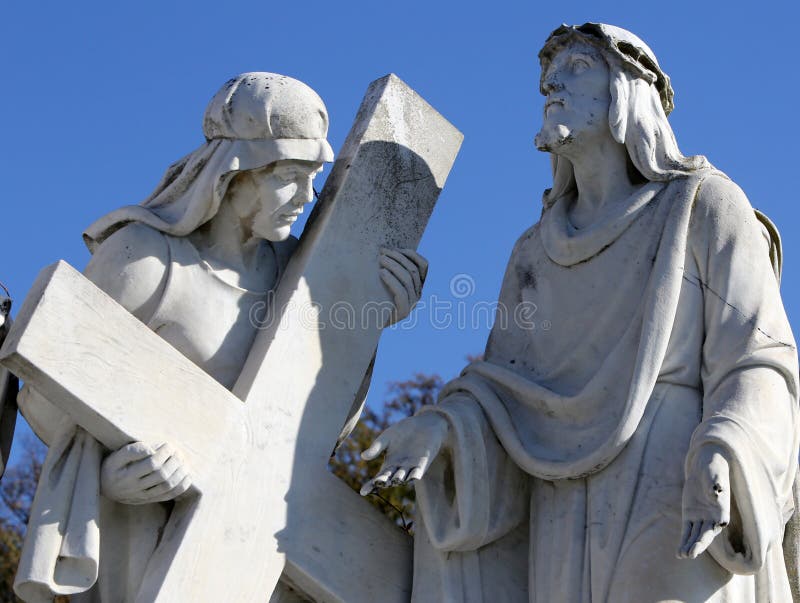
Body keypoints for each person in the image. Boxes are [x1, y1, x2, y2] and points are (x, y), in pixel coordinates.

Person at [363, 23, 800, 602]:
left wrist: (725, 450)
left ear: (629, 91)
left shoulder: (704, 205)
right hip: (560, 505)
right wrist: (443, 428)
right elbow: (506, 395)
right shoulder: (532, 252)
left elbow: (759, 358)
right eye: (550, 73)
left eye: (577, 67)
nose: (551, 83)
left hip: (678, 481)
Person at [15, 72, 427, 601]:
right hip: (136, 536)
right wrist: (105, 479)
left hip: (242, 546)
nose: (306, 196)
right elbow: (47, 398)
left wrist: (367, 328)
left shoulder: (301, 279)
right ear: (236, 171)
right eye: (289, 175)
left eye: (314, 177)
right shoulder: (145, 260)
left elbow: (308, 436)